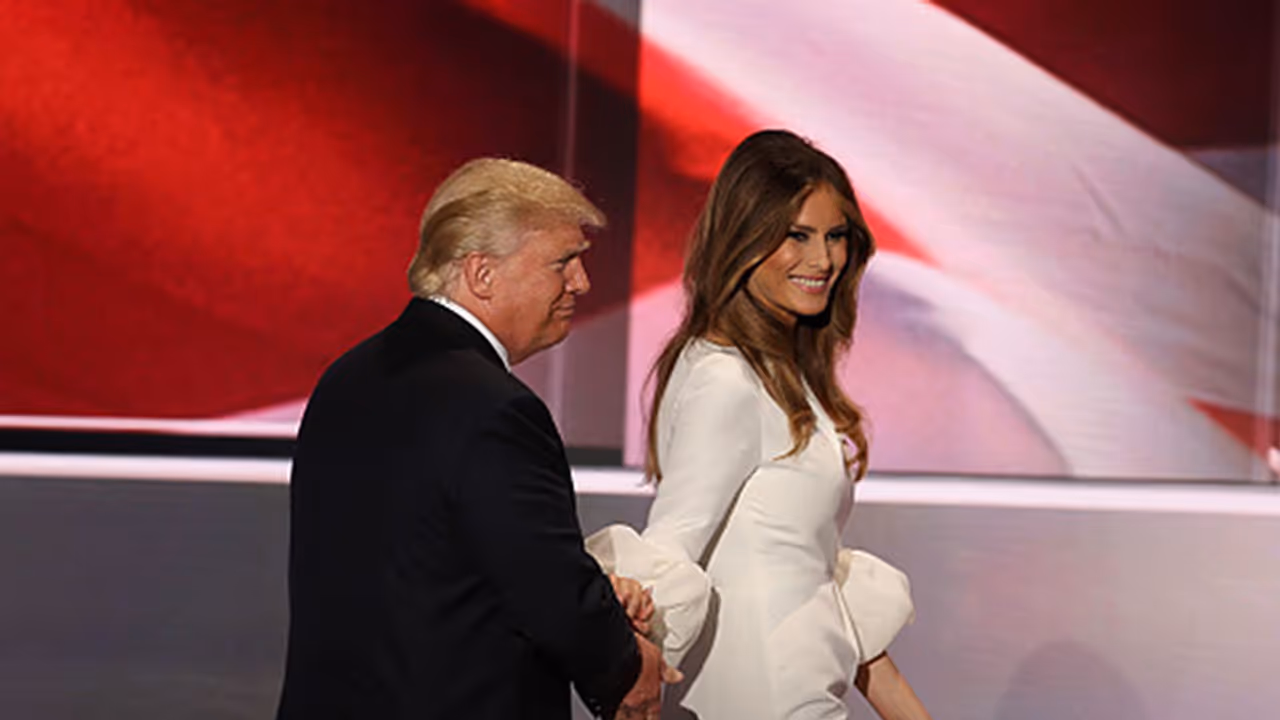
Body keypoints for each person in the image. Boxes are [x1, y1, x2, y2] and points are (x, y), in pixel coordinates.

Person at [276, 158, 675, 720]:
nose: (581, 283)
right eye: (564, 262)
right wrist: (624, 666)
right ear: (482, 274)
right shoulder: (495, 407)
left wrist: (600, 596)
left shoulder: (348, 375)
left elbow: (436, 559)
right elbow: (545, 585)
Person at [587, 130, 931, 719]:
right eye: (796, 236)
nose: (822, 260)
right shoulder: (726, 381)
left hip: (802, 690)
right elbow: (673, 541)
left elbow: (811, 568)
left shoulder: (777, 371)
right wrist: (636, 666)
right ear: (744, 237)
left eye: (835, 236)